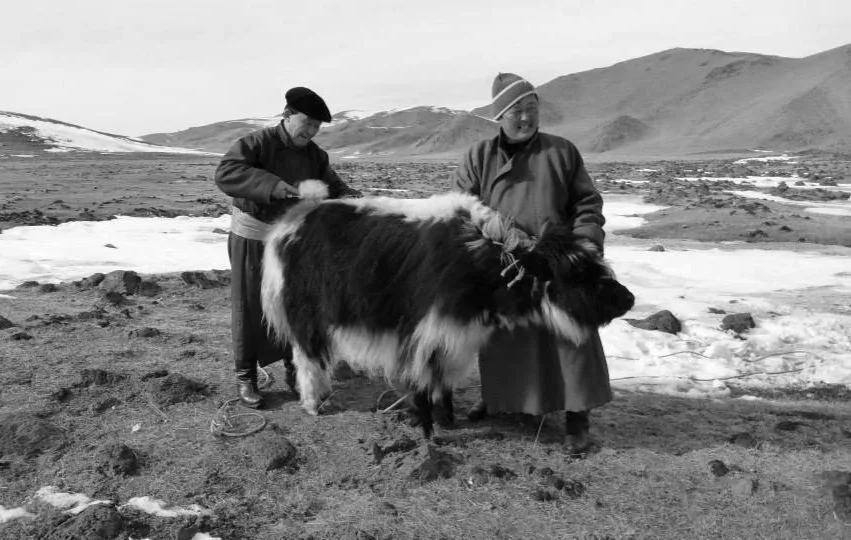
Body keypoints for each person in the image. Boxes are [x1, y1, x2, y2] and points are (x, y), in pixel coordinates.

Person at [456, 73, 611, 455]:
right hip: (504, 260)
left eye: (531, 109)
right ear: (499, 118)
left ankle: (577, 415)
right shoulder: (479, 157)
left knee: (570, 336)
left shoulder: (562, 151)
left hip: (556, 258)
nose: (525, 118)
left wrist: (585, 247)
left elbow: (587, 204)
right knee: (505, 337)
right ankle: (503, 399)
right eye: (516, 112)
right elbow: (463, 208)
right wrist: (492, 246)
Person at [215, 86, 361, 408]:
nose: (310, 131)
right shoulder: (255, 143)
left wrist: (348, 197)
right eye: (306, 123)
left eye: (316, 127)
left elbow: (331, 183)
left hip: (293, 241)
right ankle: (246, 376)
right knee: (250, 305)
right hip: (252, 238)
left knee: (295, 304)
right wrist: (273, 186)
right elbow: (226, 172)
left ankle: (294, 368)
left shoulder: (315, 155)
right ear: (287, 115)